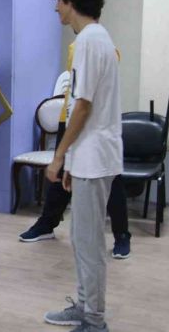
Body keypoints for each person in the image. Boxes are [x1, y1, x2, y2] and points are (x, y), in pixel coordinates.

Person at [43, 0, 122, 332]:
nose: (56, 8)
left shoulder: (90, 41)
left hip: (95, 156)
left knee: (89, 244)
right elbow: (85, 104)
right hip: (90, 156)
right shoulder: (96, 38)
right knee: (81, 239)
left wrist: (60, 156)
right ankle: (84, 305)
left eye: (58, 1)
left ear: (71, 0)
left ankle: (94, 320)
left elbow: (83, 106)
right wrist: (73, 161)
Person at [18, 41, 131, 260]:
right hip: (69, 118)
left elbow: (110, 67)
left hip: (97, 123)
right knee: (60, 174)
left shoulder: (102, 44)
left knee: (111, 179)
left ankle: (122, 236)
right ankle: (46, 224)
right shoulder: (73, 47)